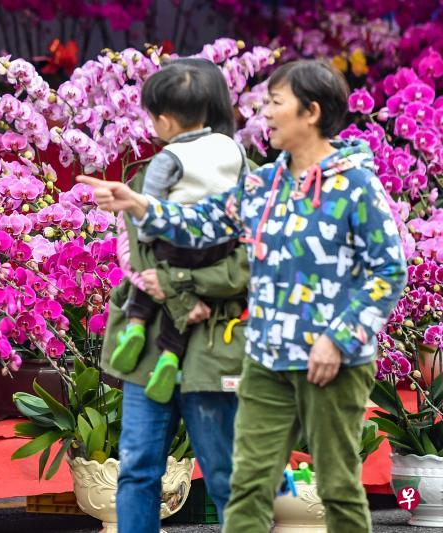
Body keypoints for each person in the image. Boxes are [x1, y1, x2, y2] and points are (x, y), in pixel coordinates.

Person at [81, 60, 407, 532]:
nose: (265, 113)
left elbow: (386, 269)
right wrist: (141, 204)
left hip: (316, 358)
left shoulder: (352, 182)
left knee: (333, 484)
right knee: (245, 486)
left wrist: (338, 339)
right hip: (263, 360)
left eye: (275, 102)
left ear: (310, 112)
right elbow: (201, 225)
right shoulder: (264, 183)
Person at [104, 58, 250, 533]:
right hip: (148, 347)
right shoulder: (150, 176)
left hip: (217, 345)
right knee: (137, 468)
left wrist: (183, 286)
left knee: (227, 474)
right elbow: (140, 257)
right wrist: (188, 294)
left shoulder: (250, 176)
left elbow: (247, 265)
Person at [112, 59, 247, 404]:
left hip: (176, 241)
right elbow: (244, 195)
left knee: (157, 266)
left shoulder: (167, 158)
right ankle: (170, 357)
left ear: (166, 121)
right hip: (219, 243)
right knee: (176, 303)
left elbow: (148, 210)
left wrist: (147, 235)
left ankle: (136, 327)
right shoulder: (236, 149)